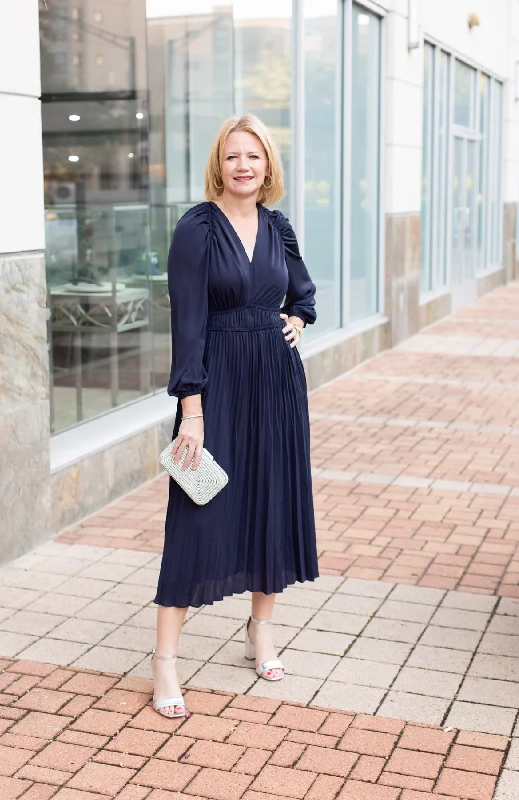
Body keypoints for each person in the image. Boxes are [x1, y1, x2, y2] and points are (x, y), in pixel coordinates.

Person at [152, 114, 318, 717]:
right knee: (197, 513)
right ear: (218, 166)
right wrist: (190, 411)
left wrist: (297, 319)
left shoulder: (279, 227)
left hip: (275, 382)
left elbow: (302, 292)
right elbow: (187, 325)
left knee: (271, 502)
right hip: (216, 384)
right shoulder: (197, 228)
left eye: (254, 155)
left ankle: (260, 630)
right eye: (232, 156)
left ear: (268, 165)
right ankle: (165, 661)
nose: (243, 165)